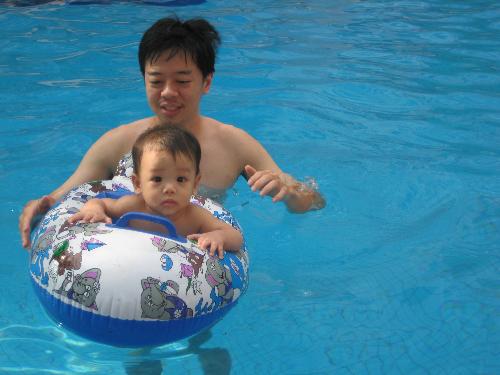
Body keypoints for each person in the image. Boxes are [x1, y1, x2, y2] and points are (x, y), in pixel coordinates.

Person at [19, 16, 325, 249]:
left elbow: (312, 204)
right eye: (156, 81)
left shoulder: (235, 145)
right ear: (143, 80)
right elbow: (68, 192)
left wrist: (288, 190)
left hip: (193, 258)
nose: (168, 92)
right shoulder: (118, 142)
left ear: (206, 82)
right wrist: (43, 204)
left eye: (182, 80)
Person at [69, 125, 242, 259]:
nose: (169, 188)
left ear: (195, 184)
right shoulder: (133, 206)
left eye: (181, 179)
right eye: (157, 179)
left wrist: (218, 236)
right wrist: (94, 210)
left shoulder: (195, 216)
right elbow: (100, 202)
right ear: (138, 184)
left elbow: (235, 237)